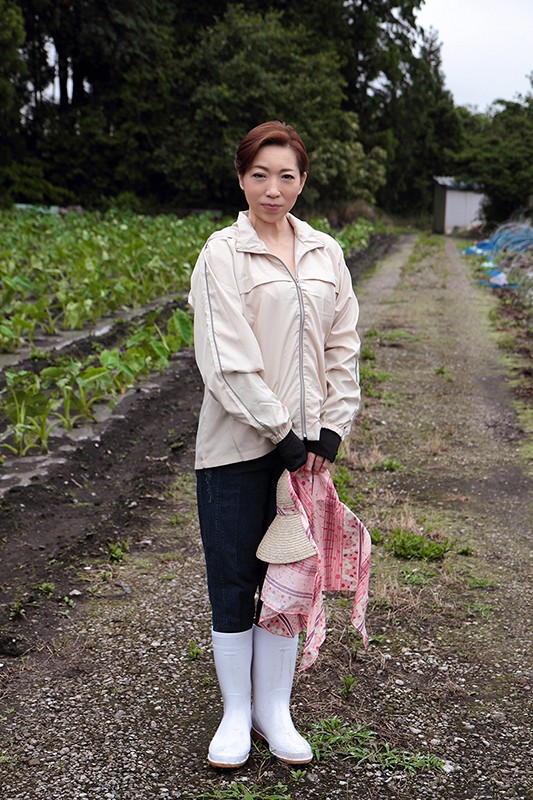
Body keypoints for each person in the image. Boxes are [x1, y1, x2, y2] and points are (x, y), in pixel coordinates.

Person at [188, 120, 361, 769]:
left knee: (290, 579)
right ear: (241, 179)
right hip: (237, 446)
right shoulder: (221, 253)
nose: (272, 188)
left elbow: (342, 345)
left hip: (306, 452)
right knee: (234, 578)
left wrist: (331, 427)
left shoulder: (324, 252)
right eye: (259, 174)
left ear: (302, 181)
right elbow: (225, 360)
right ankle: (236, 714)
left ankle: (274, 711)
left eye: (286, 175)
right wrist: (281, 432)